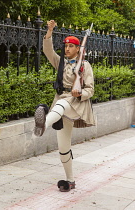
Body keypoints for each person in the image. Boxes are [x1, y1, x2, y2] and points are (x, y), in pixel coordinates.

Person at [34, 20, 95, 192]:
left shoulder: (85, 65)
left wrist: (80, 93)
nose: (67, 48)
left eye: (71, 46)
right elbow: (47, 51)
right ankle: (70, 180)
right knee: (63, 146)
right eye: (66, 45)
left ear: (78, 49)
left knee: (62, 103)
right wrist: (49, 31)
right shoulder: (61, 62)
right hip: (60, 104)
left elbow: (90, 89)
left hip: (76, 104)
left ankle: (43, 124)